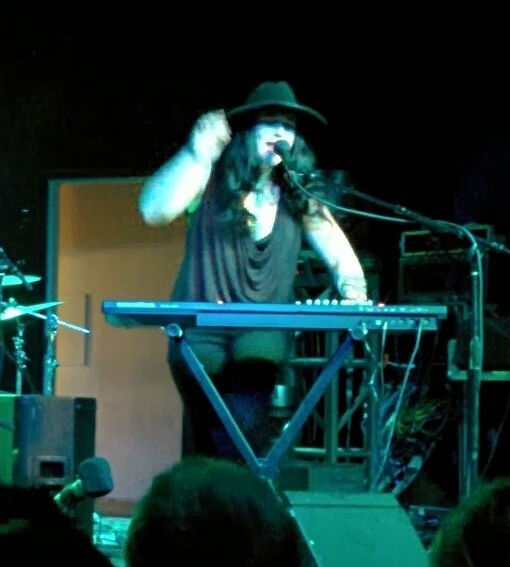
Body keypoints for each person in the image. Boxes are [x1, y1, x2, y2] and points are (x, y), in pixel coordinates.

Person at [138, 80, 368, 461]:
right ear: (248, 130)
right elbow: (153, 210)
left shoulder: (299, 196)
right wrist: (196, 154)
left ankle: (236, 491)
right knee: (209, 438)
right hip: (200, 328)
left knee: (243, 429)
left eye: (288, 125)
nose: (280, 131)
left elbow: (344, 261)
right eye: (270, 121)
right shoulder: (210, 178)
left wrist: (354, 293)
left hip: (261, 329)